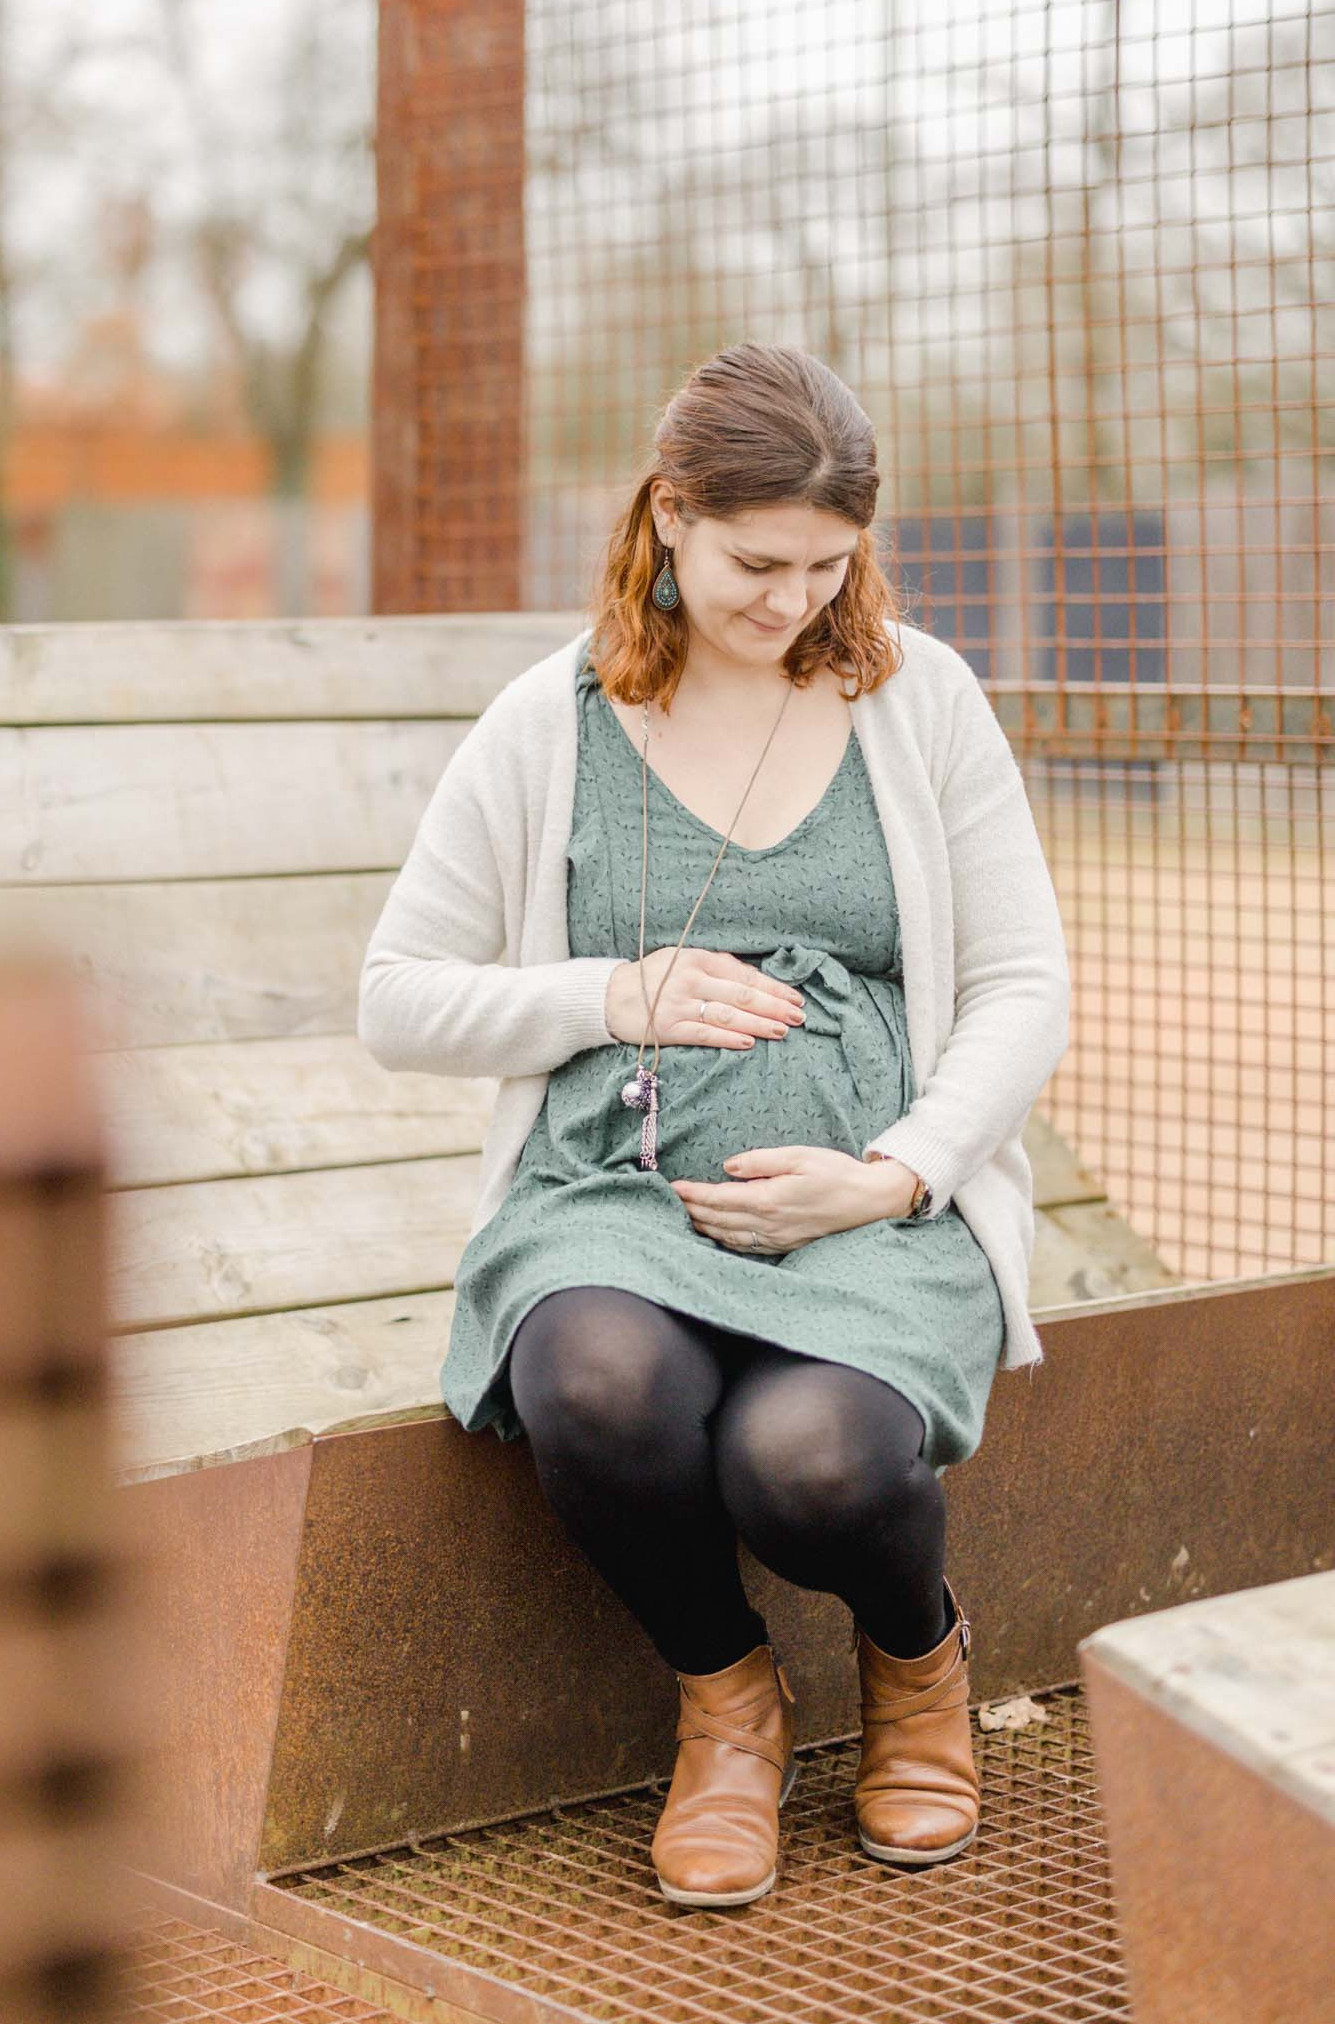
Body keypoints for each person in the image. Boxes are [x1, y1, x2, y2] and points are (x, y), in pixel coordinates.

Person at [357, 343, 1072, 1909]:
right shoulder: (551, 723)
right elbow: (397, 995)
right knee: (594, 1378)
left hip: (875, 1215)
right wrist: (612, 995)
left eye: (829, 565)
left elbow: (1023, 983)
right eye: (757, 562)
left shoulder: (919, 698)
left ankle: (918, 1663)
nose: (791, 600)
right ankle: (729, 1706)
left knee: (808, 1463)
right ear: (669, 516)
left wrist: (896, 1177)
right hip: (615, 1198)